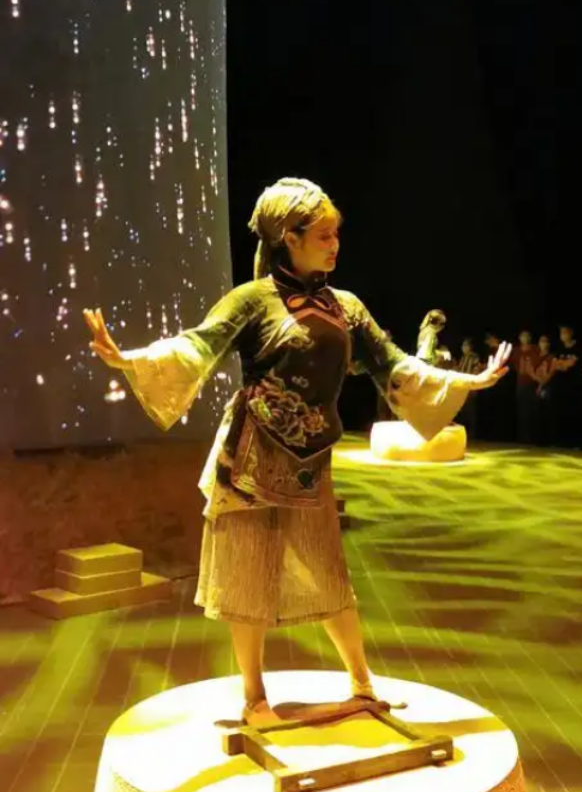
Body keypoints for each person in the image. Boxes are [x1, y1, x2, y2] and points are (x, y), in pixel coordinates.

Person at [84, 177, 511, 724]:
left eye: (337, 235)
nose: (335, 245)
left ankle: (363, 684)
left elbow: (393, 364)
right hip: (253, 454)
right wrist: (130, 360)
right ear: (290, 237)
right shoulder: (252, 300)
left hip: (312, 460)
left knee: (328, 570)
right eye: (324, 236)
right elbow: (197, 346)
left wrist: (468, 382)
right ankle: (254, 698)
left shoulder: (346, 306)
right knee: (248, 573)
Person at [551, 325, 582, 448]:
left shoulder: (579, 348)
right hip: (560, 385)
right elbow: (555, 365)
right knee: (559, 413)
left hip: (574, 386)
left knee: (573, 413)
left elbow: (572, 364)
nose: (563, 335)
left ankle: (574, 442)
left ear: (571, 333)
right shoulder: (559, 349)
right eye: (561, 333)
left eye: (565, 332)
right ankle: (560, 441)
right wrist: (564, 364)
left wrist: (563, 364)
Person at [528, 335, 557, 446]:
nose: (543, 343)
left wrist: (542, 384)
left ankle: (548, 440)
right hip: (535, 386)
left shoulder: (552, 357)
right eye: (541, 341)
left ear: (549, 344)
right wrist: (538, 381)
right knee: (536, 412)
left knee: (546, 412)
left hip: (547, 386)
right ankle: (537, 439)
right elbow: (530, 370)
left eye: (545, 341)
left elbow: (551, 372)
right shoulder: (535, 356)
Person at [512, 330, 539, 445]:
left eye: (527, 336)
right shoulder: (516, 350)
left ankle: (532, 437)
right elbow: (515, 365)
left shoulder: (535, 349)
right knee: (521, 410)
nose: (525, 338)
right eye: (522, 336)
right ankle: (522, 437)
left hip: (532, 382)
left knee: (531, 410)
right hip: (520, 382)